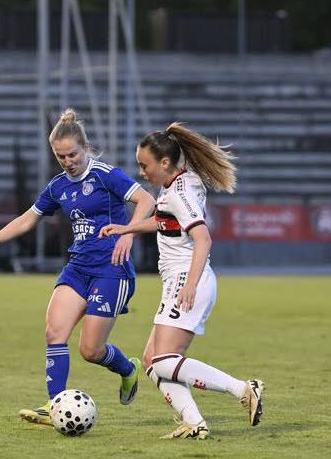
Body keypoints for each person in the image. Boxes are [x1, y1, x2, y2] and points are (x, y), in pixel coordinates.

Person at [0, 109, 156, 425]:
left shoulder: (106, 175)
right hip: (77, 268)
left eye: (73, 154)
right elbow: (28, 219)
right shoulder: (58, 186)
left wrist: (128, 234)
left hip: (111, 269)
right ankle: (55, 407)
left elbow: (147, 201)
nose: (68, 161)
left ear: (85, 147)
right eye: (60, 156)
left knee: (90, 350)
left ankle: (128, 369)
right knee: (54, 333)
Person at [99, 122, 264, 440]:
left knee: (163, 361)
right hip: (179, 280)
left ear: (164, 162)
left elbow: (203, 238)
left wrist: (189, 285)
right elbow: (164, 221)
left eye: (145, 165)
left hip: (187, 279)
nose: (142, 172)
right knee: (152, 361)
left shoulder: (180, 192)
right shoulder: (179, 181)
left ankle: (243, 389)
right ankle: (193, 421)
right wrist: (127, 229)